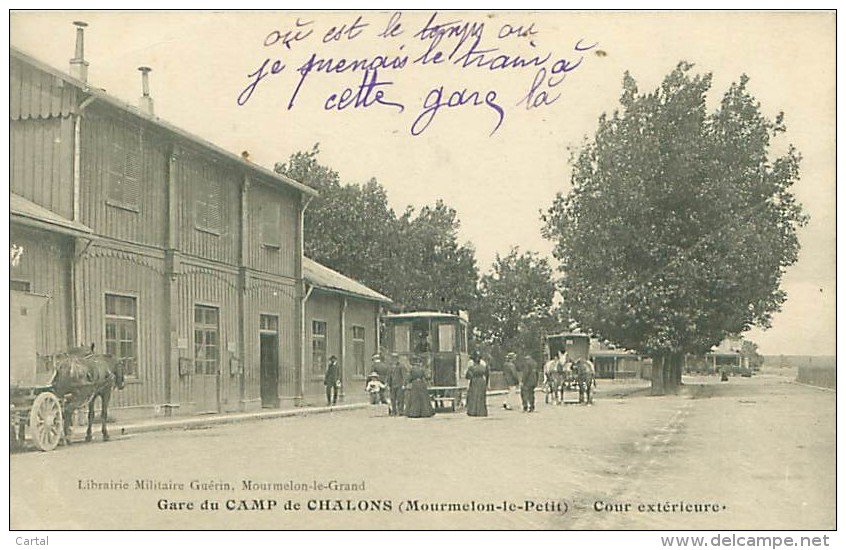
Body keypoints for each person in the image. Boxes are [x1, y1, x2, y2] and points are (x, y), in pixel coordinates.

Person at [465, 351, 489, 417]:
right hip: (482, 381)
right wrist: (486, 383)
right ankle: (481, 412)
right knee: (481, 397)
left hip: (474, 381)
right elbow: (487, 374)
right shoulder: (483, 367)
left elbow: (467, 376)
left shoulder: (471, 368)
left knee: (473, 396)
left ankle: (473, 411)